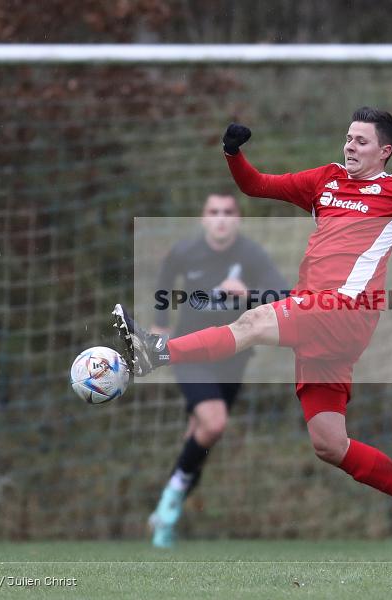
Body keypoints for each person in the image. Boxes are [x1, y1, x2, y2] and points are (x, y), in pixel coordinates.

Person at [114, 107, 392, 560]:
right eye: (348, 138)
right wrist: (233, 152)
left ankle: (156, 353)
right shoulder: (324, 181)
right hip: (319, 318)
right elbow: (256, 185)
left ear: (384, 151)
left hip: (345, 310)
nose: (350, 146)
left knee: (251, 322)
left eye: (361, 141)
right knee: (329, 443)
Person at [147, 192, 288, 548]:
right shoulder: (186, 251)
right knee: (214, 422)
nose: (221, 218)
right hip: (191, 354)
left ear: (238, 218)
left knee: (200, 433)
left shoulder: (251, 254)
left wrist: (250, 295)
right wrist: (160, 326)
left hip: (233, 359)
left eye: (228, 212)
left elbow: (284, 294)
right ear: (203, 218)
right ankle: (171, 501)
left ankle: (166, 513)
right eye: (214, 211)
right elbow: (164, 279)